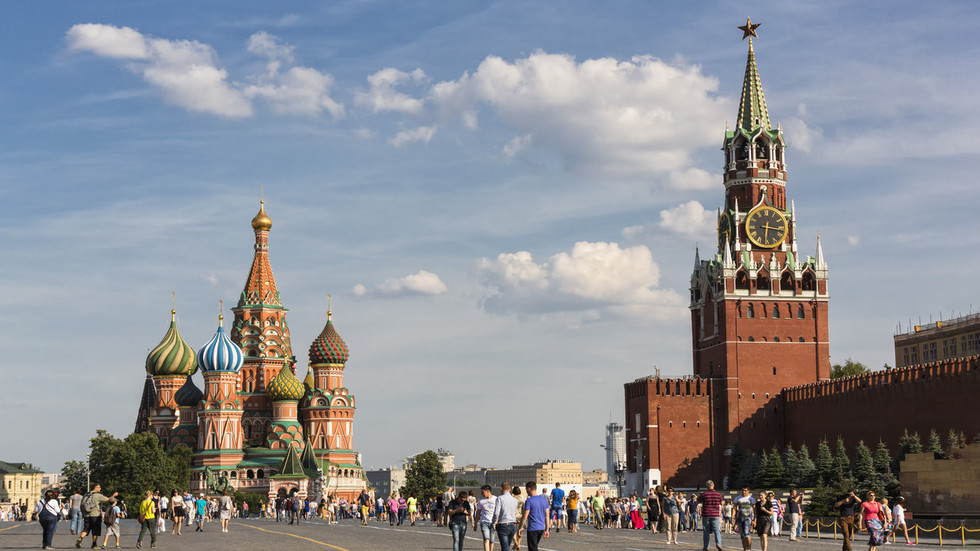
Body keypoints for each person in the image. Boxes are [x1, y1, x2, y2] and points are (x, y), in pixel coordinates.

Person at [77, 483, 117, 550]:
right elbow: (109, 499)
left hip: (87, 514)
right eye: (99, 487)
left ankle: (80, 538)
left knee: (86, 528)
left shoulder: (86, 494)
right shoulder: (97, 495)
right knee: (95, 530)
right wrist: (114, 495)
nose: (100, 488)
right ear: (95, 488)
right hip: (95, 514)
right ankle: (94, 544)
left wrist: (83, 514)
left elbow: (82, 505)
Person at [519, 482, 549, 551]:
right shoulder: (544, 500)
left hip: (533, 528)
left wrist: (520, 528)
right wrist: (547, 529)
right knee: (534, 547)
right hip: (541, 528)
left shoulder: (529, 501)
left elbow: (525, 516)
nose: (526, 491)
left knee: (532, 548)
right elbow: (547, 516)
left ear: (529, 489)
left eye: (526, 489)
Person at [493, 482, 519, 551]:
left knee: (505, 548)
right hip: (513, 525)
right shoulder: (514, 500)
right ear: (510, 489)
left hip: (503, 524)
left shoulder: (500, 498)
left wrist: (494, 522)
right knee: (507, 546)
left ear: (501, 489)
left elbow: (496, 513)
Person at [700, 480, 724, 551]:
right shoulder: (718, 494)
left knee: (706, 530)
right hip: (715, 514)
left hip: (706, 514)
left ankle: (706, 546)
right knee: (716, 530)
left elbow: (698, 501)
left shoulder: (704, 494)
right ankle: (719, 544)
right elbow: (722, 503)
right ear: (713, 486)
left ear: (707, 486)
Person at [476, 485, 497, 551]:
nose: (482, 494)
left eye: (483, 492)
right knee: (486, 539)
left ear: (488, 491)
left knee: (492, 540)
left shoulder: (496, 499)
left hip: (493, 522)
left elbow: (499, 511)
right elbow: (478, 512)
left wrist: (497, 521)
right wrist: (475, 523)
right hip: (484, 522)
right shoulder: (481, 501)